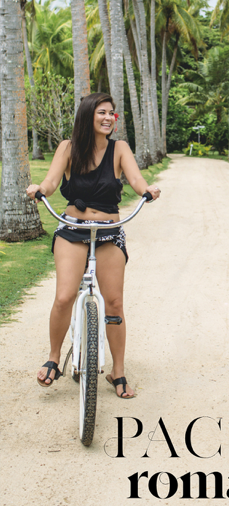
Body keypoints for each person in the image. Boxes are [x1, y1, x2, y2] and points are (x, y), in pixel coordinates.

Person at [27, 92, 161, 398]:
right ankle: (54, 357)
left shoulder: (120, 149)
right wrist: (40, 189)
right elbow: (49, 181)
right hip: (73, 228)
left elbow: (137, 180)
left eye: (112, 113)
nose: (108, 118)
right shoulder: (68, 148)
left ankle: (118, 371)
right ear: (88, 115)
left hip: (109, 231)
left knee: (114, 303)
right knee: (64, 296)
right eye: (102, 112)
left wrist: (147, 190)